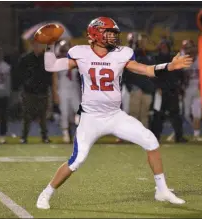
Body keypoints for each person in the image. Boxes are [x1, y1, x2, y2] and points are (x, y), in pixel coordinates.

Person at [36, 17, 192, 209]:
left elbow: (146, 70)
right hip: (91, 118)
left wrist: (169, 66)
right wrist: (49, 46)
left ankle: (162, 190)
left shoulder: (121, 54)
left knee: (151, 141)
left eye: (114, 33)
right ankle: (46, 193)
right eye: (109, 33)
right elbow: (51, 66)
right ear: (95, 34)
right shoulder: (80, 52)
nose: (113, 37)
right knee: (77, 160)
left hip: (115, 115)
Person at [16, 40, 52, 144]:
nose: (38, 47)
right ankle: (24, 137)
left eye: (40, 45)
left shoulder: (46, 59)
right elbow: (19, 74)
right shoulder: (25, 58)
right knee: (27, 115)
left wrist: (47, 86)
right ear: (32, 45)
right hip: (29, 92)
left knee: (43, 117)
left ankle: (44, 137)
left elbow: (50, 75)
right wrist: (25, 85)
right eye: (36, 45)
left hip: (43, 91)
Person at [151, 41, 187, 143]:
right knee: (158, 115)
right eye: (162, 47)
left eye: (165, 47)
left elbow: (181, 74)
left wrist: (180, 87)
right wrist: (157, 87)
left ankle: (179, 136)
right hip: (161, 91)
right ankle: (155, 137)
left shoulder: (174, 59)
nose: (164, 49)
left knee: (175, 114)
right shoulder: (156, 59)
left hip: (172, 90)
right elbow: (152, 74)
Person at [53, 39, 81, 143]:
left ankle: (79, 132)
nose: (65, 51)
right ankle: (65, 134)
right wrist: (55, 93)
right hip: (63, 90)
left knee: (79, 111)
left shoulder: (75, 62)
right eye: (63, 50)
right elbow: (55, 78)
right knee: (64, 113)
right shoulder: (57, 63)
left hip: (74, 89)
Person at [182, 40, 202, 141]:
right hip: (187, 90)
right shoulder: (182, 60)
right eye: (188, 48)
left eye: (191, 48)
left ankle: (196, 134)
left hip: (198, 89)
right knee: (186, 114)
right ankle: (193, 129)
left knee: (197, 112)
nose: (190, 50)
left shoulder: (201, 59)